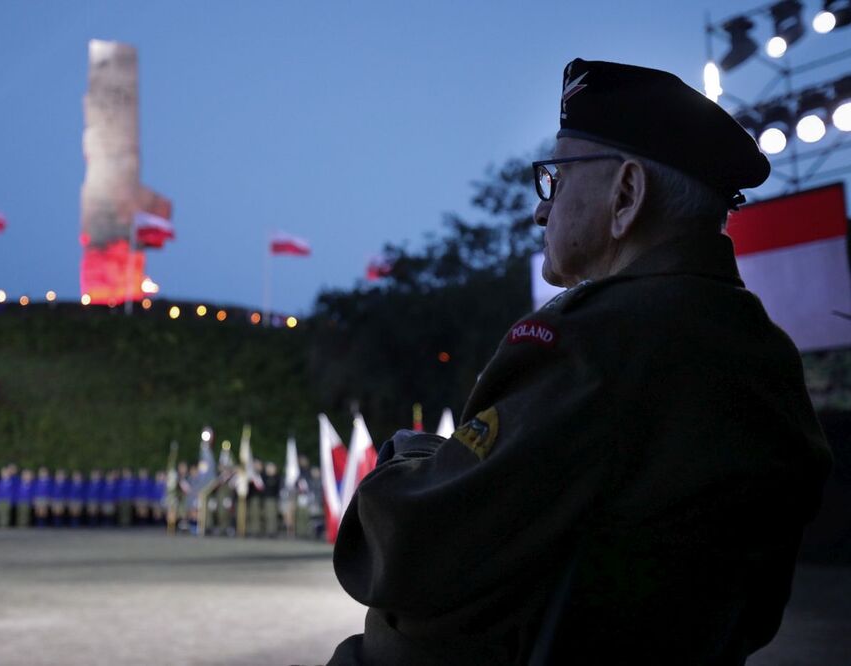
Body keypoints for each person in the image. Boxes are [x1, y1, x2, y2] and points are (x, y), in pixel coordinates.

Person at [327, 59, 832, 666]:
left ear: (626, 194)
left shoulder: (598, 346)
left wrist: (408, 458)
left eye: (557, 180)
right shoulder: (760, 352)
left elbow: (409, 547)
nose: (542, 210)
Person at [262, 461, 281, 538]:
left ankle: (272, 531)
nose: (269, 469)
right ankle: (267, 531)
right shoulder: (264, 477)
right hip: (265, 499)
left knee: (272, 516)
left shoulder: (277, 477)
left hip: (273, 499)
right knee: (266, 516)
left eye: (271, 467)